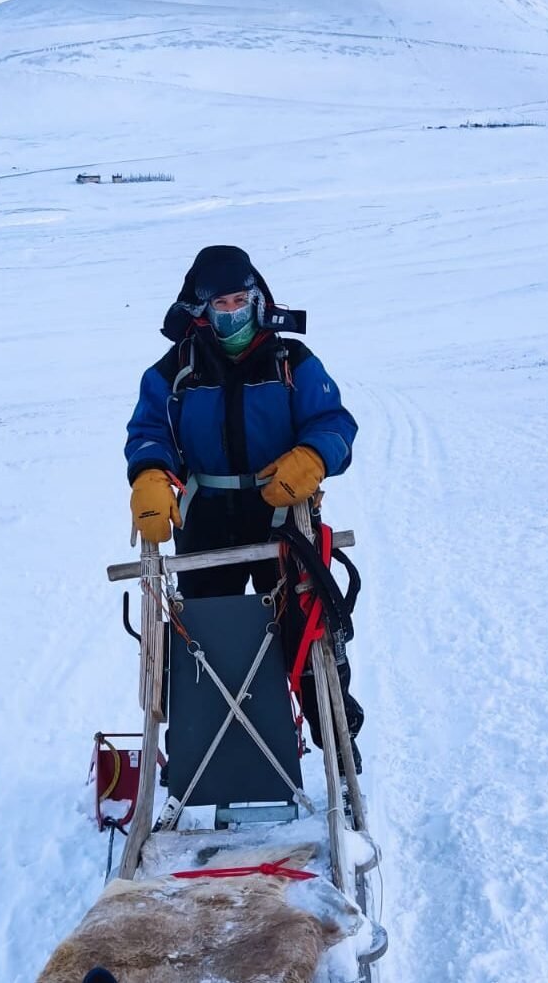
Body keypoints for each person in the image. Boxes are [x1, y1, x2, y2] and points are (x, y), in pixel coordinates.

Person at [125, 245, 364, 774]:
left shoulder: (291, 362)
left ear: (257, 300)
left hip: (281, 518)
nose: (231, 312)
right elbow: (147, 431)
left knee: (304, 632)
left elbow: (336, 424)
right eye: (219, 304)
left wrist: (314, 455)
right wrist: (148, 474)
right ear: (201, 310)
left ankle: (337, 741)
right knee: (206, 640)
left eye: (240, 299)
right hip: (206, 519)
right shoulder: (176, 370)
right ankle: (208, 753)